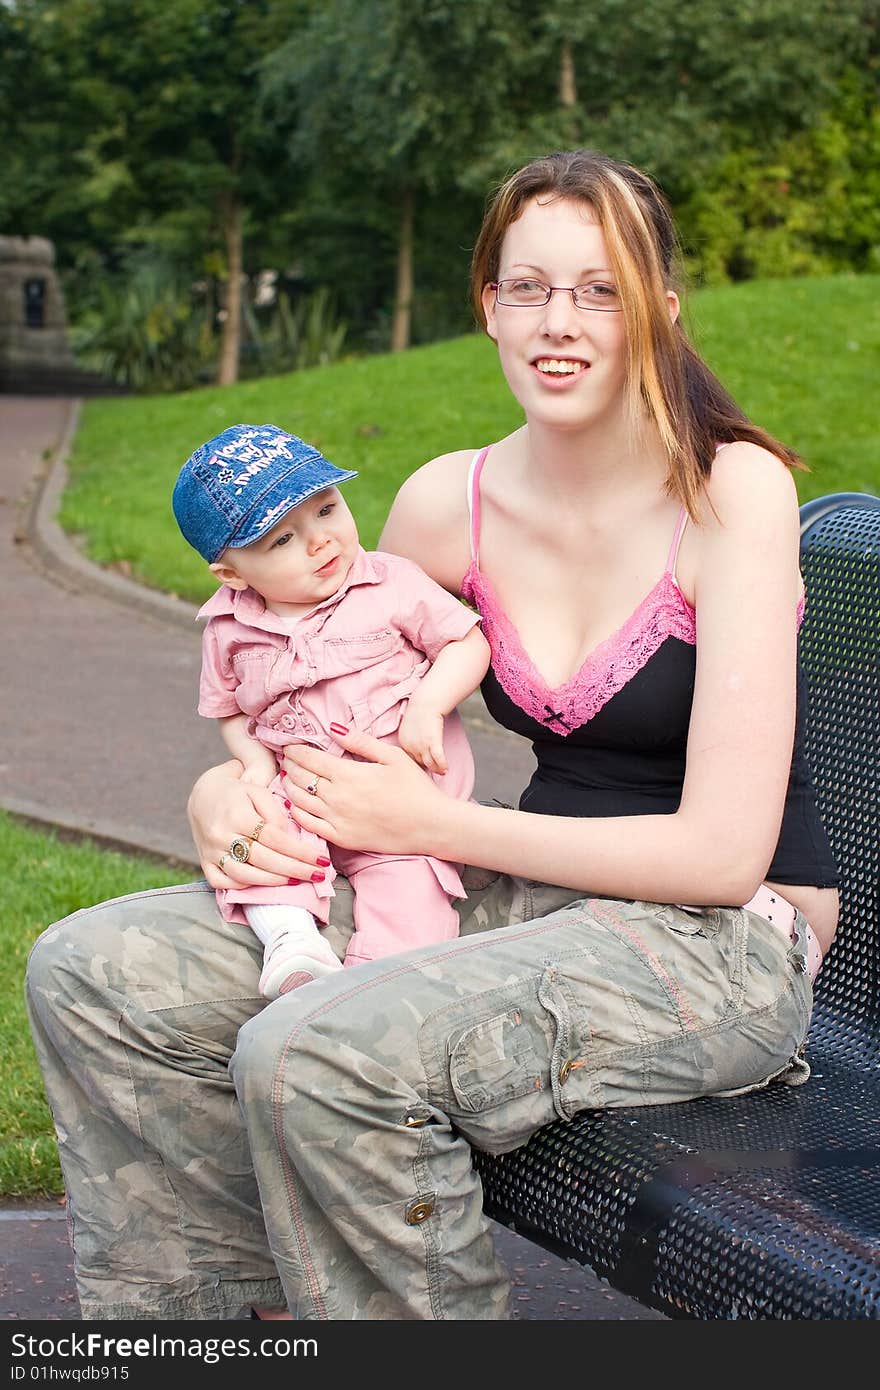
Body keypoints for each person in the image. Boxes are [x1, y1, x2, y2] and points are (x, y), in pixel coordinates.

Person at [26, 148, 840, 1323]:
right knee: (97, 974)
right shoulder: (441, 503)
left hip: (719, 943)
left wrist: (434, 823)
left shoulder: (732, 492)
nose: (561, 324)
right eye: (529, 288)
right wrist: (227, 794)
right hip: (515, 889)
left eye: (601, 290)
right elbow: (322, 710)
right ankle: (215, 1322)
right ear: (489, 307)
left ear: (659, 309)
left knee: (319, 1048)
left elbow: (721, 853)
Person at [172, 421, 490, 998]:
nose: (321, 540)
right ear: (230, 573)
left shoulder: (390, 584)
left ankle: (381, 987)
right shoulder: (228, 627)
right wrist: (255, 767)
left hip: (403, 804)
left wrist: (429, 703)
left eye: (325, 509)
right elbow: (231, 712)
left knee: (413, 894)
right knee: (265, 848)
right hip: (303, 794)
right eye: (282, 539)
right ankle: (292, 943)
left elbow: (466, 642)